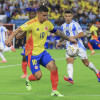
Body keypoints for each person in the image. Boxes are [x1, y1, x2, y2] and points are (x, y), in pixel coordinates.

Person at [5, 6, 77, 97]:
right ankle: (28, 79)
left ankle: (54, 91)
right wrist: (9, 40)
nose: (45, 17)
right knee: (38, 76)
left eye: (46, 15)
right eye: (43, 15)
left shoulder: (47, 23)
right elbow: (17, 31)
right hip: (32, 53)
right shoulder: (31, 23)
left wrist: (69, 38)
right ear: (38, 14)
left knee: (54, 67)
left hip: (42, 51)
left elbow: (57, 32)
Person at [56, 10, 100, 84]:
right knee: (69, 61)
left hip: (78, 46)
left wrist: (73, 37)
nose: (68, 18)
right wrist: (60, 41)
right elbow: (64, 35)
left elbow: (82, 34)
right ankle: (70, 78)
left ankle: (97, 72)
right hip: (69, 47)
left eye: (69, 16)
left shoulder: (75, 24)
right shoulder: (63, 25)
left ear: (72, 16)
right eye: (66, 16)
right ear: (64, 17)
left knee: (86, 63)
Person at [16, 11, 36, 78]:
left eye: (33, 14)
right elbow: (25, 31)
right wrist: (20, 35)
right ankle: (25, 74)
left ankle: (35, 73)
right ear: (29, 16)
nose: (32, 16)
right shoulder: (27, 23)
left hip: (36, 44)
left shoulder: (37, 23)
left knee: (35, 59)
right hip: (28, 44)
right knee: (24, 57)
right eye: (30, 14)